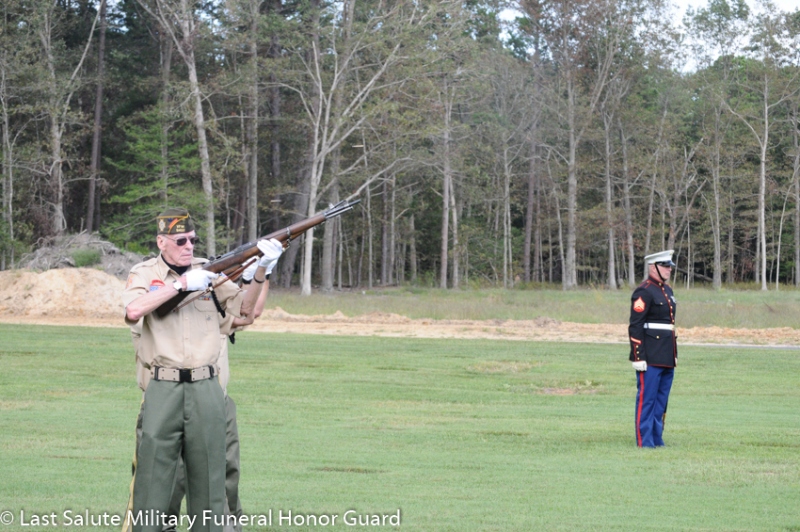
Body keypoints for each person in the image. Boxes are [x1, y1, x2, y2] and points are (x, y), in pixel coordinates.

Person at [121, 208, 282, 532]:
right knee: (152, 480)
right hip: (163, 385)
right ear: (161, 242)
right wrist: (182, 284)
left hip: (207, 385)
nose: (189, 247)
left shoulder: (209, 273)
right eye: (180, 241)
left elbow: (246, 313)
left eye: (192, 240)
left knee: (210, 480)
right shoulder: (145, 273)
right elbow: (134, 310)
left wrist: (261, 271)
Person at [628, 249, 678, 448]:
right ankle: (645, 440)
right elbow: (636, 325)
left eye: (669, 266)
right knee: (647, 399)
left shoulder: (667, 291)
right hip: (649, 355)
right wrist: (637, 356)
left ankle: (657, 438)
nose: (669, 270)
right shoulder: (644, 291)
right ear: (653, 267)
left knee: (661, 400)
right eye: (665, 266)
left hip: (666, 353)